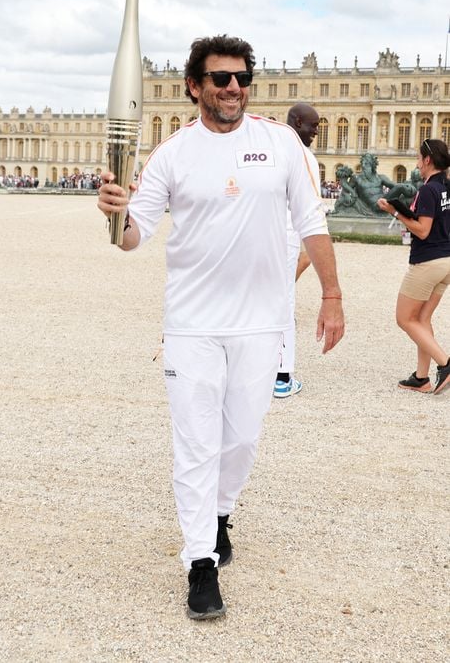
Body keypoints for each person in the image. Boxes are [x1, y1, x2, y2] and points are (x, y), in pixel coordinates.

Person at [98, 35, 344, 621]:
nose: (234, 88)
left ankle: (219, 513)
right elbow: (134, 237)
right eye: (221, 78)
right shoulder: (172, 153)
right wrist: (115, 213)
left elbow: (312, 222)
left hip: (261, 321)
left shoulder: (280, 143)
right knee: (196, 444)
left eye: (242, 78)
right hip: (192, 324)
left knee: (241, 441)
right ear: (195, 86)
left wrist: (332, 294)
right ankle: (200, 563)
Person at [377, 138, 450, 394]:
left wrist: (394, 212)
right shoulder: (446, 187)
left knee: (405, 318)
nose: (417, 164)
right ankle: (421, 378)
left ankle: (445, 364)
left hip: (428, 261)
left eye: (419, 158)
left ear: (428, 160)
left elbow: (422, 230)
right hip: (446, 261)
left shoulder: (429, 190)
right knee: (422, 318)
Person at [274, 103, 321, 398]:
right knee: (284, 304)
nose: (316, 132)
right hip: (287, 236)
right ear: (298, 121)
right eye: (313, 126)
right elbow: (311, 209)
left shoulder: (272, 150)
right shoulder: (304, 157)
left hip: (263, 235)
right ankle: (282, 377)